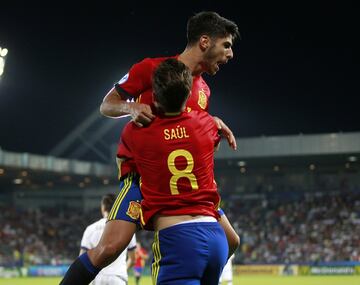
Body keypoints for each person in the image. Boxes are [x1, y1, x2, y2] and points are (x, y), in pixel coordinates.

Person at [60, 11, 240, 285]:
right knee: (109, 249)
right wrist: (129, 106)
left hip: (182, 184)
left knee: (230, 240)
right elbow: (106, 105)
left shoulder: (204, 90)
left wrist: (211, 121)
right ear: (205, 41)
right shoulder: (150, 68)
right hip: (142, 178)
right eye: (226, 45)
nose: (230, 54)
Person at [120, 58, 228, 284]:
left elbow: (124, 163)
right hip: (215, 235)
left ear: (155, 98)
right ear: (189, 95)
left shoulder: (135, 132)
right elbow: (210, 135)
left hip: (178, 238)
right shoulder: (206, 123)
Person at [63, 194, 136, 285]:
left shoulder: (90, 229)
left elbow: (81, 257)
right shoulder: (127, 229)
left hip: (96, 278)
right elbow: (133, 259)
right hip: (117, 278)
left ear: (103, 208)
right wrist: (121, 271)